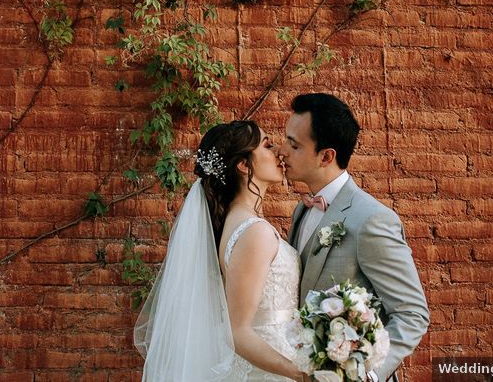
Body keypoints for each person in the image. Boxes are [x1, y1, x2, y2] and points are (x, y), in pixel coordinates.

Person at [135, 120, 306, 382]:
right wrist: (301, 374)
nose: (278, 152)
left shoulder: (239, 223)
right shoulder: (254, 232)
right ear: (243, 165)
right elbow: (237, 331)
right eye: (267, 145)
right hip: (269, 372)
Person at [280, 93, 429, 382]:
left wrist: (367, 374)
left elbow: (412, 314)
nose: (282, 151)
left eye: (294, 145)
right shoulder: (302, 209)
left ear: (326, 156)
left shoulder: (372, 220)